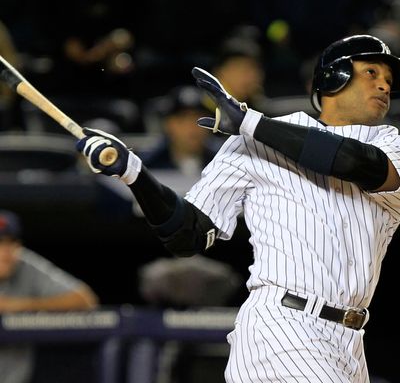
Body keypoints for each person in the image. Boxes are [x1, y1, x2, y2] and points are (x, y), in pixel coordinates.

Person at [76, 34, 400, 382]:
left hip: (351, 340)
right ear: (333, 77)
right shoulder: (251, 143)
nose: (384, 86)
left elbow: (356, 163)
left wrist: (251, 124)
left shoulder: (389, 142)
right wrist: (134, 174)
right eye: (371, 73)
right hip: (283, 327)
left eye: (388, 81)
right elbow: (189, 235)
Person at [0, 209, 98, 383]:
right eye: (0, 244)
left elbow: (85, 299)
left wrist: (17, 306)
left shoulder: (24, 264)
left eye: (11, 243)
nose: (5, 252)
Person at [140, 85, 217, 176]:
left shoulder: (222, 160)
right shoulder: (148, 165)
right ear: (168, 124)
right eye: (182, 119)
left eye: (200, 118)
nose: (192, 126)